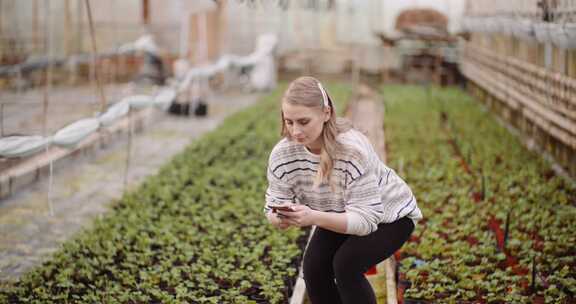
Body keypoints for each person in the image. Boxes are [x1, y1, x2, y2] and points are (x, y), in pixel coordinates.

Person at [264, 76, 423, 304]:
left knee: (346, 264)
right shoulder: (282, 155)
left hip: (390, 216)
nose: (295, 131)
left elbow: (367, 220)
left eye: (303, 121)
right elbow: (273, 203)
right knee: (314, 269)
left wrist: (312, 217)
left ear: (326, 113)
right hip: (341, 211)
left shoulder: (351, 150)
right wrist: (279, 218)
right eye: (289, 122)